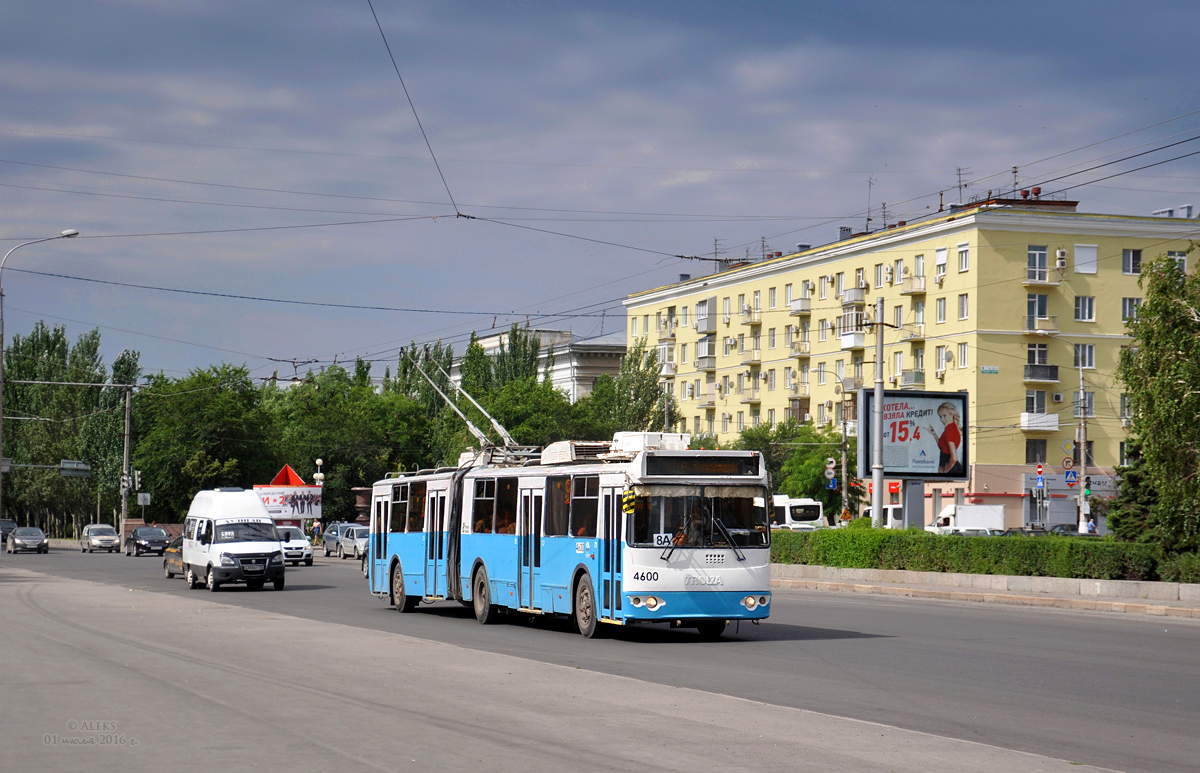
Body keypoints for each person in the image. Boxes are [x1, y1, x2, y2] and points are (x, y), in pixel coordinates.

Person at [927, 402, 965, 476]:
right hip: (950, 467)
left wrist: (946, 471)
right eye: (940, 416)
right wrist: (934, 434)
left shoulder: (950, 431)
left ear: (951, 414)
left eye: (944, 416)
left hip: (952, 469)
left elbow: (954, 458)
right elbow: (942, 447)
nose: (942, 419)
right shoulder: (949, 429)